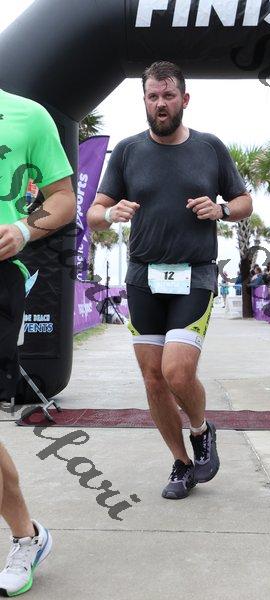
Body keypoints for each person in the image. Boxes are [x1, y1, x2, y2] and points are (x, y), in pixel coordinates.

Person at [87, 61, 252, 500]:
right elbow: (94, 214)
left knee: (176, 371)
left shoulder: (210, 148)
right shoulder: (127, 151)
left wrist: (221, 210)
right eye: (153, 96)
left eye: (168, 95)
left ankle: (201, 429)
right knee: (153, 379)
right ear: (144, 100)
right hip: (143, 277)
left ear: (184, 99)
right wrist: (111, 212)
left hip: (194, 275)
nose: (160, 104)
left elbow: (244, 201)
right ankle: (181, 463)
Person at [0, 89, 75, 595]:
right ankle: (29, 534)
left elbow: (63, 198)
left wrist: (24, 230)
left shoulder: (28, 115)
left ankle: (26, 539)